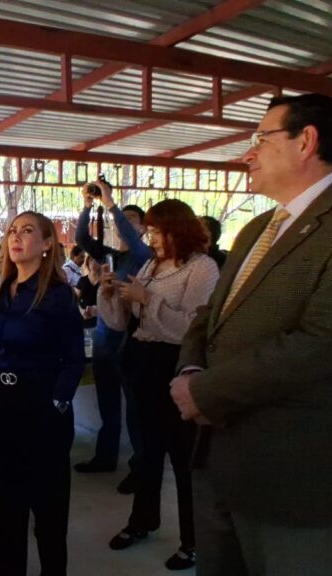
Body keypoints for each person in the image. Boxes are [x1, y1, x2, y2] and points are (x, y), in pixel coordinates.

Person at [170, 93, 332, 576]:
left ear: (307, 141)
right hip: (216, 457)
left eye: (260, 139)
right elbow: (210, 315)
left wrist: (204, 391)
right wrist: (191, 365)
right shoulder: (257, 228)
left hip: (288, 469)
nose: (247, 153)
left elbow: (321, 343)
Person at [0, 211, 84, 576]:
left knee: (47, 506)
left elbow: (74, 359)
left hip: (42, 408)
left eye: (28, 231)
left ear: (47, 244)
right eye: (13, 231)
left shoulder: (59, 296)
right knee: (6, 498)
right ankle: (7, 568)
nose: (16, 237)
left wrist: (57, 404)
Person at [99, 199, 219, 570]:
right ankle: (142, 520)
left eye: (155, 231)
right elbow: (126, 321)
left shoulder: (202, 268)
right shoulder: (152, 264)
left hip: (177, 367)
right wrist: (112, 296)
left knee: (183, 460)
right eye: (148, 231)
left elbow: (191, 329)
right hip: (142, 364)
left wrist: (145, 299)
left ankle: (192, 540)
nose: (149, 238)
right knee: (147, 453)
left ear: (176, 230)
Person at [73, 181, 152, 492]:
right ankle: (105, 457)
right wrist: (88, 205)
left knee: (134, 408)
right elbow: (80, 238)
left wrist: (111, 205)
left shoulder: (143, 256)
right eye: (123, 219)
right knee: (107, 402)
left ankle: (141, 465)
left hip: (131, 342)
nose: (124, 225)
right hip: (105, 339)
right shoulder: (110, 256)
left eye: (132, 220)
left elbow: (131, 239)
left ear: (143, 228)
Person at [76, 255, 100, 328]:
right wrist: (81, 310)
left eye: (96, 260)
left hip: (100, 321)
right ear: (87, 263)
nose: (93, 263)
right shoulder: (82, 280)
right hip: (84, 320)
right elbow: (75, 300)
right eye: (91, 260)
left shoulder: (104, 282)